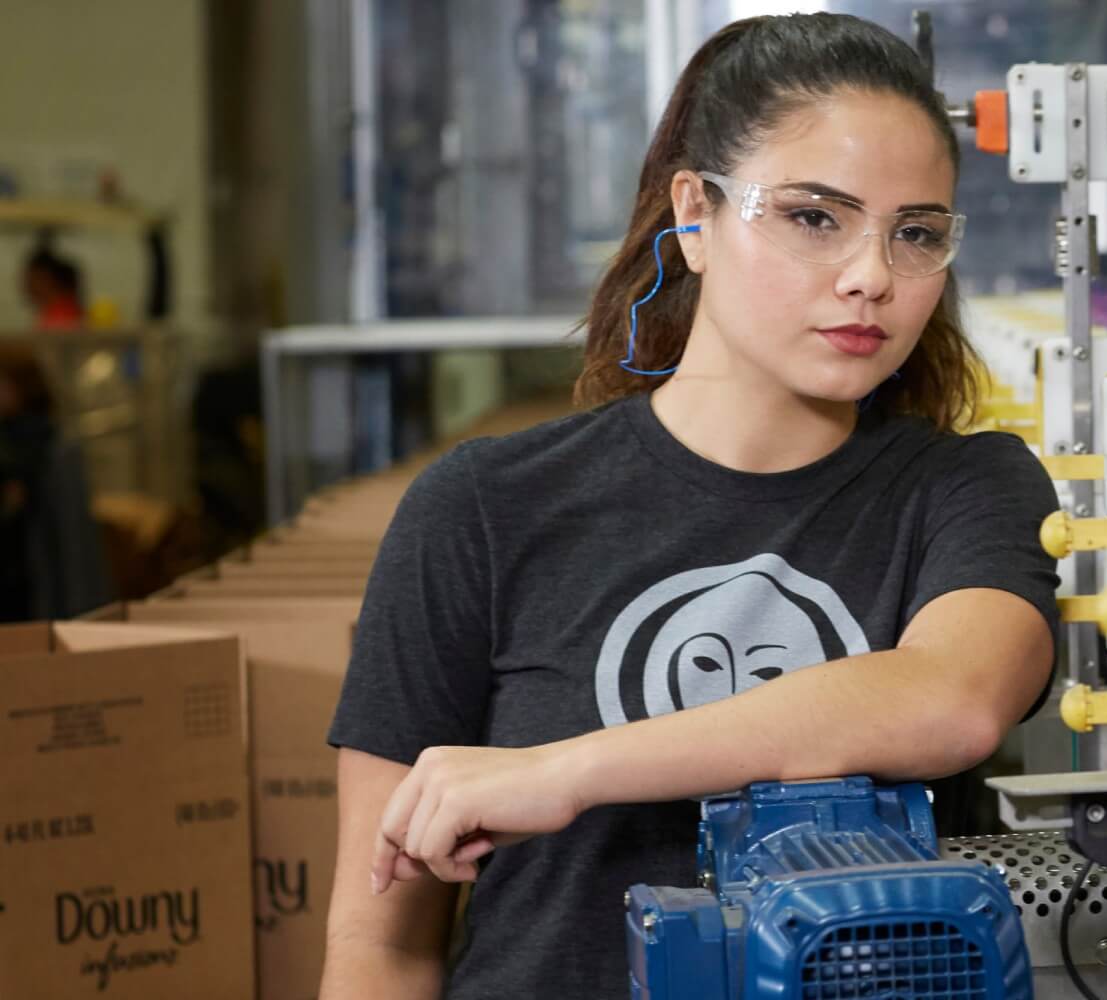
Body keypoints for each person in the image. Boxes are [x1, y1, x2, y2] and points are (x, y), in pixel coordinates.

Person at [321, 13, 1060, 1000]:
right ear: (694, 215)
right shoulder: (483, 508)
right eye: (813, 216)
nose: (870, 276)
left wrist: (562, 771)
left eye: (914, 233)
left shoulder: (964, 489)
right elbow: (382, 945)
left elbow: (950, 699)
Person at [21, 239, 86, 331]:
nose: (26, 285)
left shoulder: (61, 315)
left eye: (30, 279)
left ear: (45, 278)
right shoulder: (56, 312)